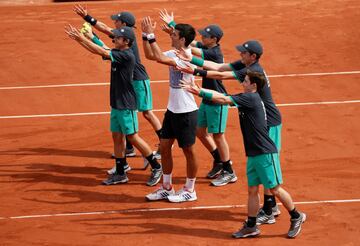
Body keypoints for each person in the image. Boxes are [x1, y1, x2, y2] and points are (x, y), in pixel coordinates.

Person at [180, 70, 306, 238]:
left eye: (245, 81)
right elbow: (223, 95)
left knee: (275, 189)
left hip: (265, 153)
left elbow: (224, 99)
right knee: (252, 190)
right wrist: (201, 91)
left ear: (253, 85)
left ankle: (296, 216)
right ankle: (251, 226)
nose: (242, 83)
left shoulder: (251, 98)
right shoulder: (248, 97)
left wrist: (199, 91)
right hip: (253, 153)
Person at [176, 40, 281, 223]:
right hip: (263, 121)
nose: (241, 55)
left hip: (269, 122)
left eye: (244, 53)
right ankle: (270, 206)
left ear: (253, 56)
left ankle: (270, 208)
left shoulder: (250, 70)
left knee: (266, 164)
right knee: (263, 165)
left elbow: (221, 76)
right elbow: (219, 66)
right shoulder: (247, 64)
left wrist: (194, 70)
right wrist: (191, 58)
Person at [65, 24, 162, 186]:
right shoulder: (119, 52)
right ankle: (120, 172)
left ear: (126, 41)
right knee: (117, 137)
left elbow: (101, 51)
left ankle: (156, 166)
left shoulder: (127, 56)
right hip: (116, 103)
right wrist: (83, 39)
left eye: (117, 37)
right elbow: (100, 49)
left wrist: (81, 38)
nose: (114, 38)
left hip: (126, 104)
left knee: (132, 137)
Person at [159, 9, 236, 186]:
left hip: (217, 100)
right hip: (204, 97)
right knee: (200, 132)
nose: (202, 38)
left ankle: (228, 170)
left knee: (218, 135)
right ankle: (218, 160)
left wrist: (174, 33)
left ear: (214, 40)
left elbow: (189, 47)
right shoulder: (206, 46)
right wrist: (173, 28)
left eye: (206, 36)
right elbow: (190, 42)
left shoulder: (214, 53)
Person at [141, 16, 199, 203]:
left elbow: (158, 56)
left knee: (188, 151)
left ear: (183, 39)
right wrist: (144, 35)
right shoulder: (175, 53)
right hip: (172, 110)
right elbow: (151, 55)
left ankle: (190, 189)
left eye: (174, 35)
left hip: (187, 112)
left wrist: (151, 35)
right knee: (165, 148)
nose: (171, 36)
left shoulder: (187, 57)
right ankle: (167, 187)